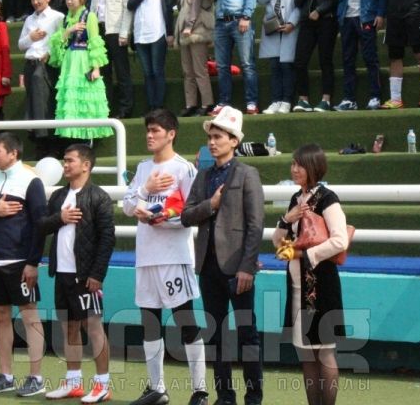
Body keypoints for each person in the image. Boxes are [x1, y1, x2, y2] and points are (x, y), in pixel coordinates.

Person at [123, 109, 208, 405]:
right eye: (147, 130)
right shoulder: (143, 168)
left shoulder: (184, 169)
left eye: (155, 130)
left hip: (174, 257)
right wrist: (145, 190)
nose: (149, 135)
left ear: (171, 134)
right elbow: (127, 206)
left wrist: (162, 219)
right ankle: (157, 389)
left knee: (185, 320)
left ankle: (200, 390)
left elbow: (192, 213)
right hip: (146, 257)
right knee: (150, 322)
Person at [181, 105, 264, 405]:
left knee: (247, 334)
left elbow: (256, 225)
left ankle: (253, 397)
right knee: (216, 334)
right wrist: (211, 206)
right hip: (208, 266)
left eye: (218, 137)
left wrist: (247, 267)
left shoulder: (248, 174)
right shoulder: (203, 176)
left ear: (234, 141)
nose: (212, 142)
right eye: (210, 137)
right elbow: (186, 215)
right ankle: (225, 396)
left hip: (238, 267)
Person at [0, 132, 47, 397]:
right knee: (1, 316)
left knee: (29, 316)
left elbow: (40, 225)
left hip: (20, 262)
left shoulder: (31, 181)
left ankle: (36, 378)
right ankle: (6, 376)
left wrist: (33, 262)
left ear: (13, 153)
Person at [272, 144, 348, 405]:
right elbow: (278, 241)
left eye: (300, 165)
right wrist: (286, 219)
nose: (294, 169)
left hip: (321, 284)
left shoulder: (328, 198)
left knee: (324, 352)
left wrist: (304, 255)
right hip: (297, 286)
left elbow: (340, 241)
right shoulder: (296, 199)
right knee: (306, 354)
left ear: (314, 167)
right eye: (293, 164)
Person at [40, 144, 115, 403]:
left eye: (70, 160)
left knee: (93, 328)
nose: (65, 165)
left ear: (86, 165)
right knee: (68, 327)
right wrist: (60, 218)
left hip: (86, 276)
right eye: (64, 160)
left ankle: (103, 385)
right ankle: (73, 383)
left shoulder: (99, 197)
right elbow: (41, 226)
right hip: (61, 273)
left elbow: (107, 239)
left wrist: (97, 274)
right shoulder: (58, 196)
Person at [203, 0, 260, 116]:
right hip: (221, 20)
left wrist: (246, 16)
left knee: (247, 64)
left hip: (240, 19)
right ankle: (224, 103)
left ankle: (251, 102)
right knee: (222, 66)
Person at [49, 0, 113, 140]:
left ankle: (88, 136)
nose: (69, 1)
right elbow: (58, 42)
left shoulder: (89, 16)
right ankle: (74, 135)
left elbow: (94, 41)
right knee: (72, 97)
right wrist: (69, 31)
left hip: (83, 60)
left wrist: (96, 68)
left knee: (86, 95)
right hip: (70, 62)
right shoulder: (65, 19)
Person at [17, 0, 64, 158]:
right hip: (30, 64)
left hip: (46, 64)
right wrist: (31, 37)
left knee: (44, 105)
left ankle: (50, 144)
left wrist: (50, 53)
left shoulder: (57, 17)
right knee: (33, 105)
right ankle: (40, 144)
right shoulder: (29, 19)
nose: (35, 2)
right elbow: (21, 45)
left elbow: (62, 41)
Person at [292, 0, 337, 113]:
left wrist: (319, 10)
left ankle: (326, 100)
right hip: (307, 23)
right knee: (300, 61)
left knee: (325, 60)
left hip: (326, 21)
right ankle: (303, 99)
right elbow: (297, 1)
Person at [258, 0, 301, 115]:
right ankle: (275, 101)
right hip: (273, 25)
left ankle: (286, 101)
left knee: (287, 66)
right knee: (275, 65)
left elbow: (300, 3)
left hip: (289, 25)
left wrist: (292, 22)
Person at [90, 0, 134, 119]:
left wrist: (124, 32)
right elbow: (93, 8)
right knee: (104, 71)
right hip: (99, 29)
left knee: (122, 71)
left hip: (115, 30)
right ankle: (105, 108)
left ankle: (125, 109)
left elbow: (127, 9)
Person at [127, 0, 173, 112]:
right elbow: (130, 5)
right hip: (141, 33)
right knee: (147, 73)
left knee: (157, 70)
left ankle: (158, 106)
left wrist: (170, 33)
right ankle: (151, 106)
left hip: (157, 32)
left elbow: (168, 7)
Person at [175, 0, 214, 117]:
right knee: (188, 70)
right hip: (186, 28)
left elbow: (196, 2)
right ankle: (190, 103)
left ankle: (207, 103)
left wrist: (189, 25)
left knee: (199, 69)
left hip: (196, 28)